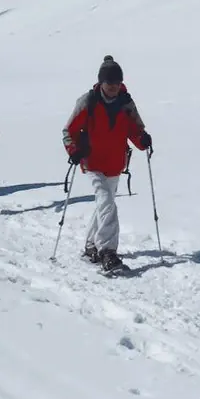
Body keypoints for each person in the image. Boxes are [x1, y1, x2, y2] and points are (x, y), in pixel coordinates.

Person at [62, 55, 150, 273]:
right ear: (101, 82)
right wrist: (73, 150)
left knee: (104, 204)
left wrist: (143, 139)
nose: (113, 88)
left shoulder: (126, 103)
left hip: (115, 163)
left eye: (117, 83)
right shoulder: (87, 101)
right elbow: (68, 131)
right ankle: (108, 251)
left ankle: (91, 245)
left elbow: (135, 129)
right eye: (110, 84)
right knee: (107, 203)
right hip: (92, 162)